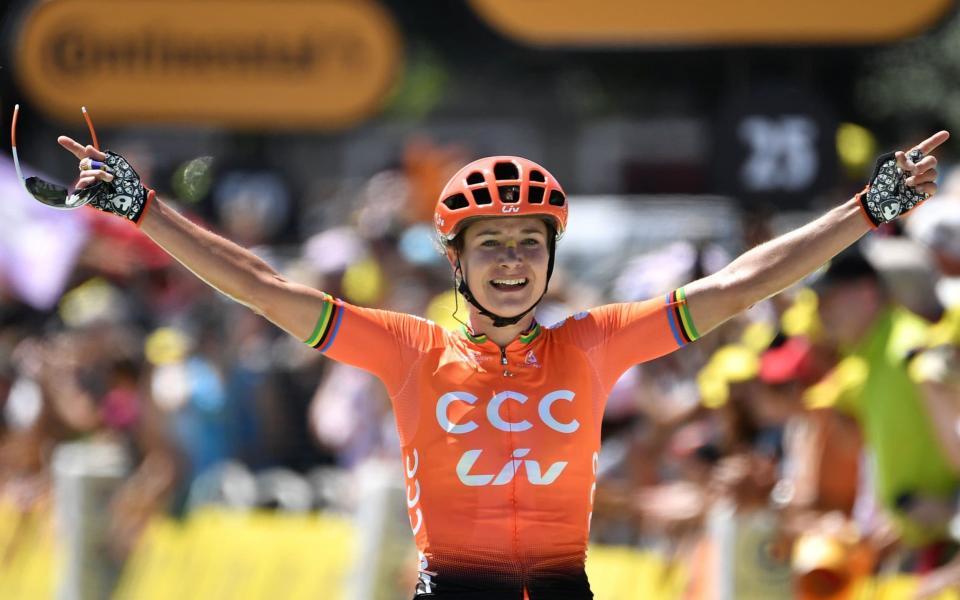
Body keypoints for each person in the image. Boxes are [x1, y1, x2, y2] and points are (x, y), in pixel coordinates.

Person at [46, 132, 947, 599]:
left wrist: (866, 211)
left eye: (529, 242)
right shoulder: (407, 351)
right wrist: (146, 209)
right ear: (455, 259)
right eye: (491, 245)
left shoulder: (595, 342)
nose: (511, 261)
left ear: (550, 258)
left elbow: (747, 279)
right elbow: (260, 283)